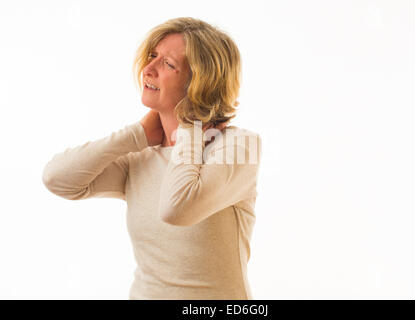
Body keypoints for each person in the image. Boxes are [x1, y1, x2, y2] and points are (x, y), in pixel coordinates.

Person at [42, 17, 262, 300]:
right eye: (152, 57)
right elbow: (57, 179)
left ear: (202, 83)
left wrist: (190, 126)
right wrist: (137, 134)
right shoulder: (141, 155)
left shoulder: (239, 145)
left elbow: (177, 209)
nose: (148, 69)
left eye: (168, 64)